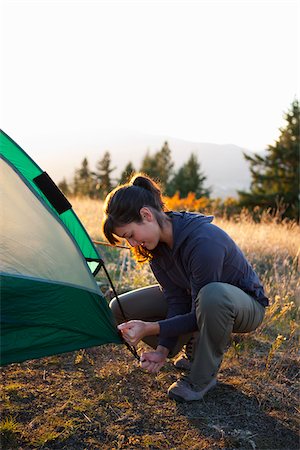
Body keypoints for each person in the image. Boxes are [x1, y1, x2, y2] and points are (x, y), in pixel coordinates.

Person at [102, 173, 268, 402]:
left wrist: (150, 328)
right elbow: (177, 300)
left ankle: (202, 378)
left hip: (243, 307)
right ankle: (190, 345)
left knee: (212, 296)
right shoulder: (155, 248)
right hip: (199, 302)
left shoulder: (203, 242)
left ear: (146, 214)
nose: (132, 244)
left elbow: (201, 308)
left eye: (130, 235)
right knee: (120, 306)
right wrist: (162, 350)